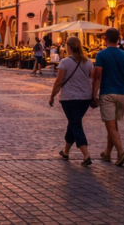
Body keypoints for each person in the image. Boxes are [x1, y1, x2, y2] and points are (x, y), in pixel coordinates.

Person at [92, 28, 124, 167]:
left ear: (105, 38)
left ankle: (121, 152)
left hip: (107, 93)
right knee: (114, 125)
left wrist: (94, 94)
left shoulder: (101, 54)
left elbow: (98, 76)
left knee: (110, 126)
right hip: (122, 93)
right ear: (118, 39)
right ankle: (107, 153)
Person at [48, 36, 94, 166]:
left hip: (69, 98)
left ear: (68, 47)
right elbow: (92, 79)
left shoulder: (64, 62)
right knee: (73, 123)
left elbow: (59, 82)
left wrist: (52, 96)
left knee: (76, 124)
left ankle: (86, 155)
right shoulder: (89, 62)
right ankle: (66, 151)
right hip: (85, 98)